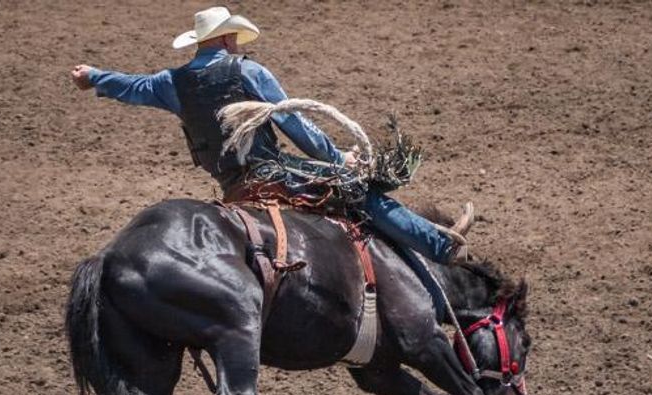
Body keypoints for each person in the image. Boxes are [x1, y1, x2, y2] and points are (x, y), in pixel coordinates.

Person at [71, 6, 473, 263]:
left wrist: (94, 77)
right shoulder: (247, 71)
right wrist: (339, 160)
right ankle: (439, 246)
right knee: (360, 193)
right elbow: (295, 124)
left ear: (200, 42)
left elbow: (131, 86)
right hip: (272, 176)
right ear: (227, 38)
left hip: (232, 186)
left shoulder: (172, 82)